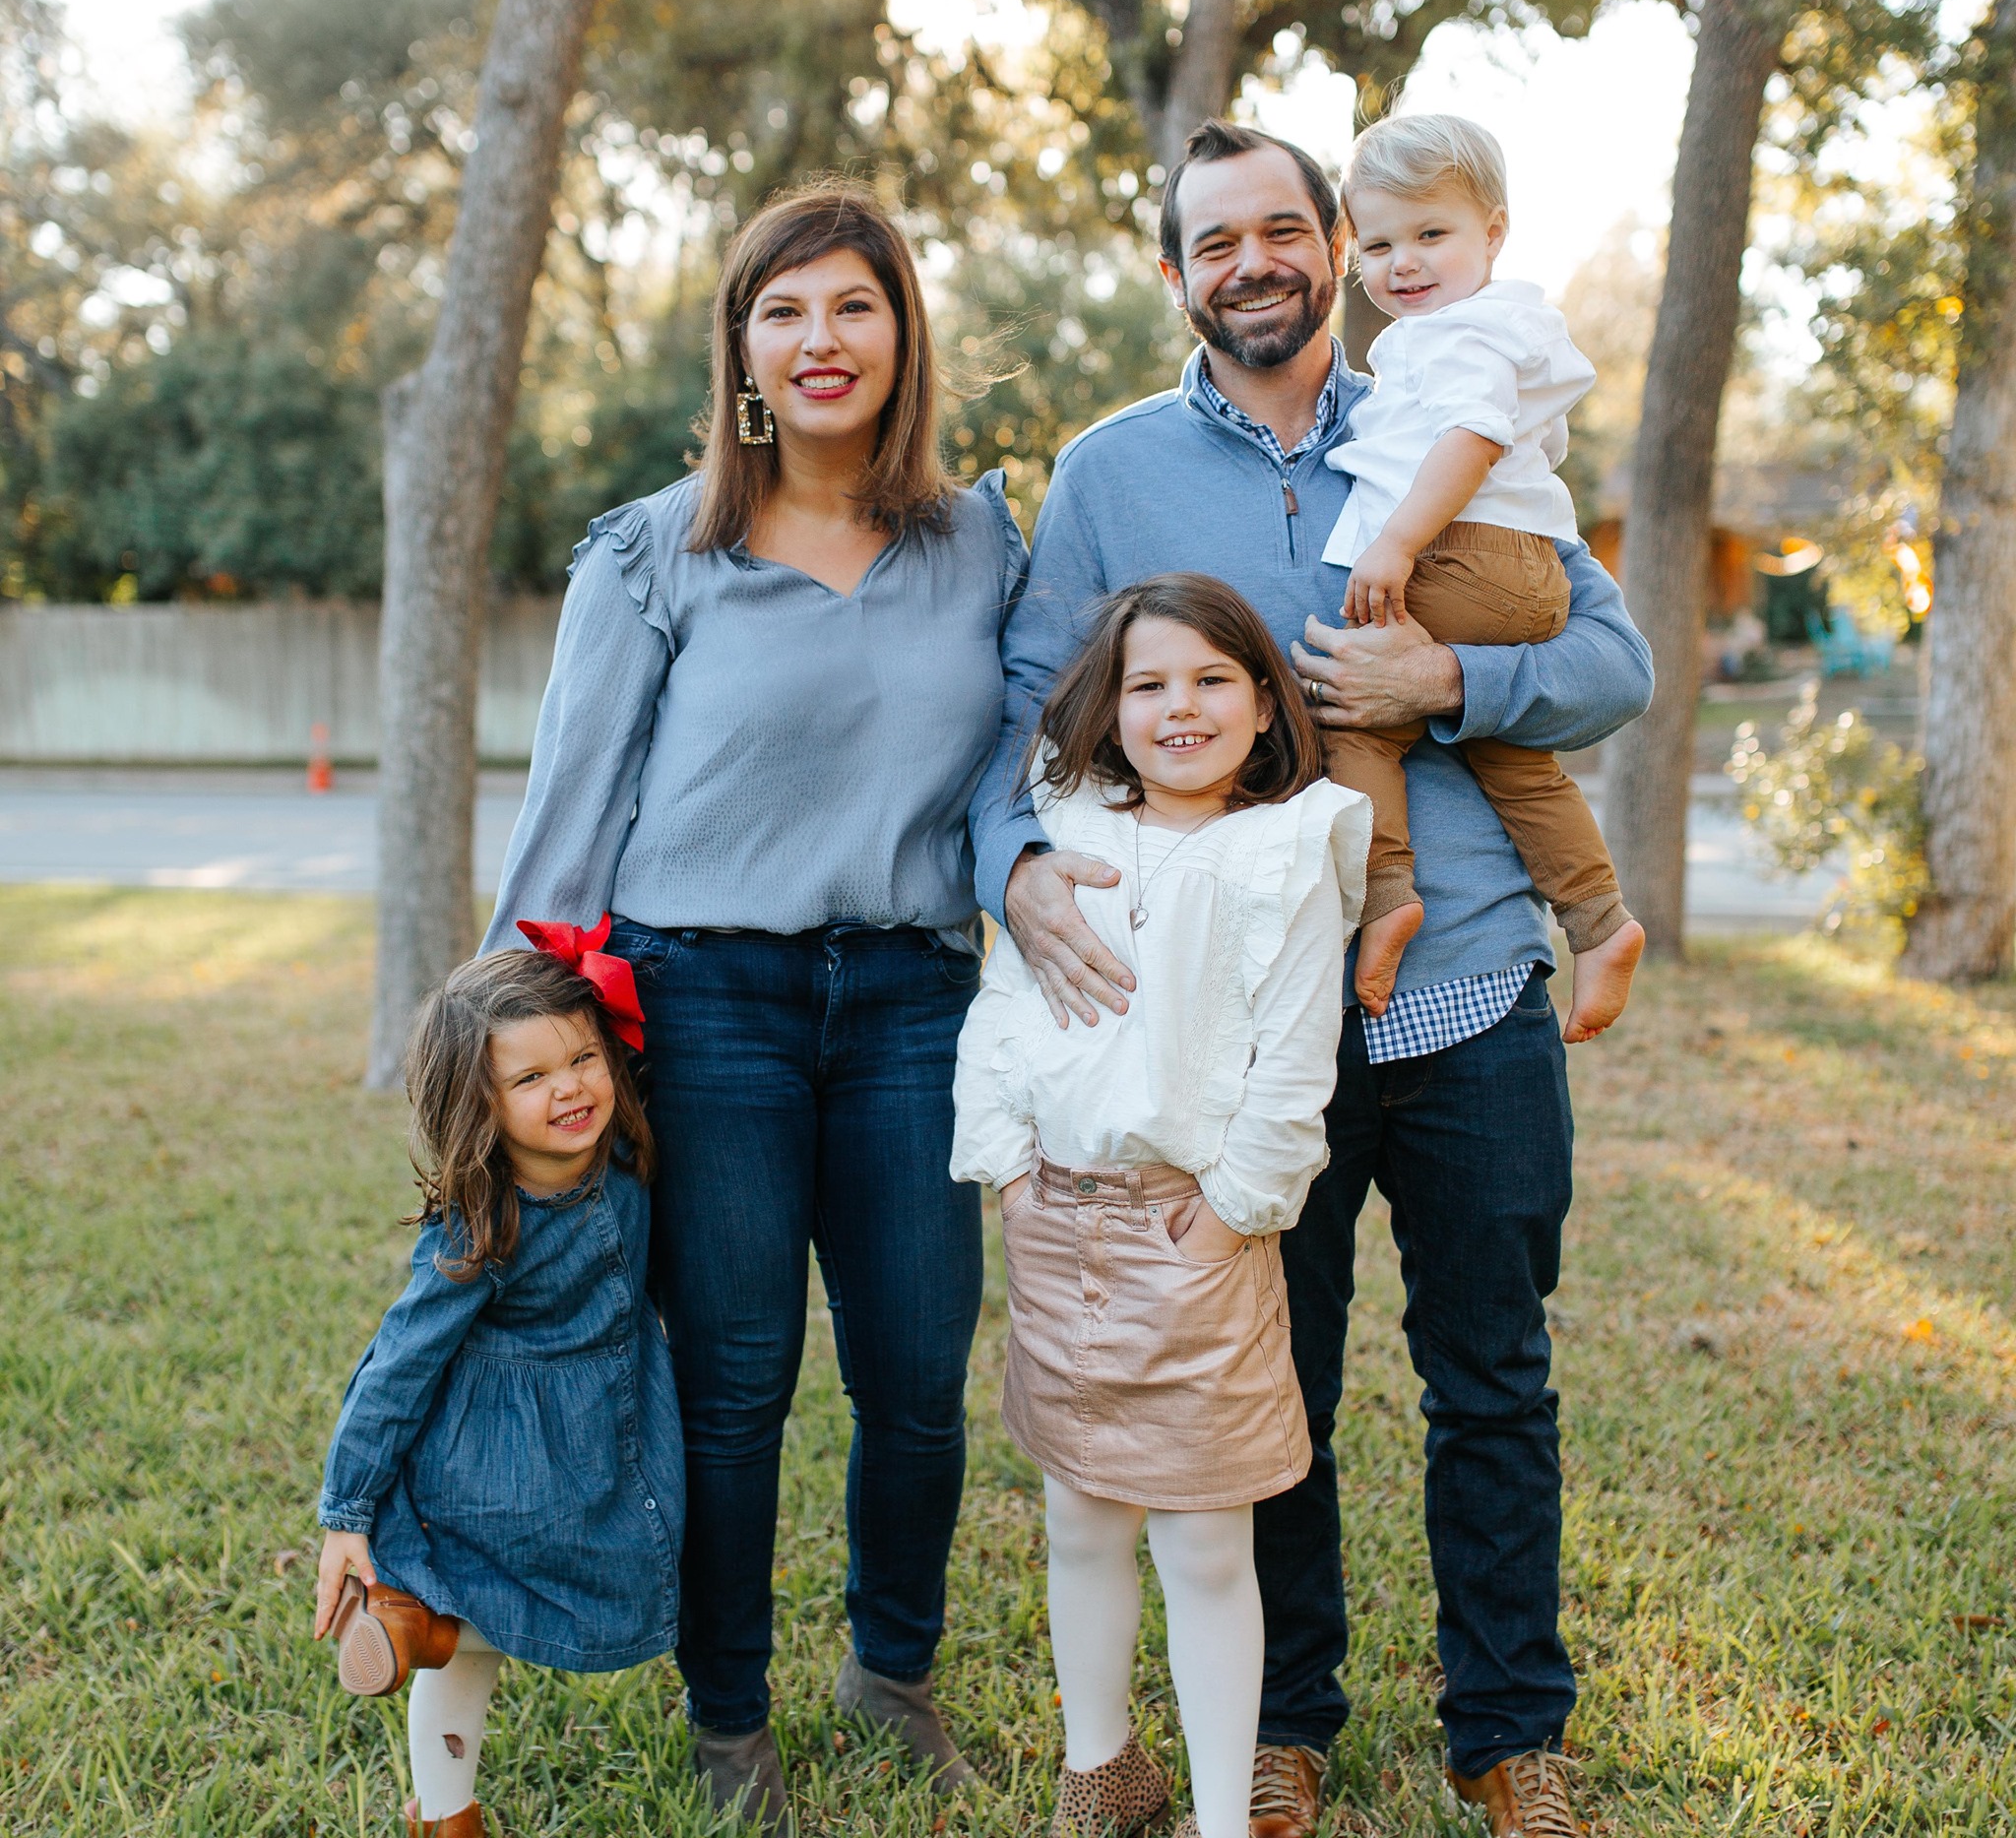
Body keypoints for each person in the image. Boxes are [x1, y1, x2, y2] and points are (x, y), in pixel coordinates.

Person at [970, 119, 1655, 1838]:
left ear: (1336, 246)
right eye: (1216, 240)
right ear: (1174, 273)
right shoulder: (1109, 473)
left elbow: (1611, 659)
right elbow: (1024, 713)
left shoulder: (1449, 408)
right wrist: (1015, 865)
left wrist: (1451, 683)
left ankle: (1510, 1732)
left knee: (1491, 1374)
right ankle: (1282, 1723)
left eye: (1284, 228)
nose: (1254, 262)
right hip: (1234, 1018)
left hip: (1470, 984)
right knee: (1275, 1381)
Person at [481, 183, 1026, 1832]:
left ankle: (892, 1672)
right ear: (739, 347)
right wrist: (501, 1036)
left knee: (916, 1371)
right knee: (733, 1381)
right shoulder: (656, 551)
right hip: (706, 996)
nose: (819, 339)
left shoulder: (982, 546)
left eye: (852, 304)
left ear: (902, 332)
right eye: (782, 310)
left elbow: (1029, 764)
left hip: (915, 999)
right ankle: (730, 1717)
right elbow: (571, 809)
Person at [953, 574, 1370, 1838]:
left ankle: (1218, 1815)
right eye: (1147, 683)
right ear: (1109, 705)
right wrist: (1009, 1168)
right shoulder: (1066, 829)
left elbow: (1295, 1056)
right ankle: (1100, 1771)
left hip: (1194, 1233)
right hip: (1057, 1221)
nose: (1177, 706)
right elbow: (1007, 1007)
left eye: (1209, 680)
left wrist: (1236, 1206)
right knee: (1080, 1514)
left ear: (1264, 704)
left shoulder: (1285, 847)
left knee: (1202, 1543)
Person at [313, 939, 677, 1838]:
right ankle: (446, 1807)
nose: (571, 1088)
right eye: (531, 1078)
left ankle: (418, 1621)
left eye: (584, 1058)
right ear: (478, 1103)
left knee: (602, 1581)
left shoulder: (625, 1147)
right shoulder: (479, 1227)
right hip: (498, 1462)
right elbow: (398, 1363)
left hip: (594, 1437)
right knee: (489, 1622)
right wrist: (346, 1510)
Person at [1315, 113, 1643, 1041]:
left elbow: (1475, 437)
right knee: (1517, 763)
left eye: (1432, 234)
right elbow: (1537, 442)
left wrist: (1396, 544)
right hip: (1517, 565)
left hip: (1459, 555)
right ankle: (1600, 920)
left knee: (1356, 718)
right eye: (1379, 245)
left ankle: (1387, 899)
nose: (1405, 263)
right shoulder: (1507, 329)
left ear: (1493, 232)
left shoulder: (1455, 335)